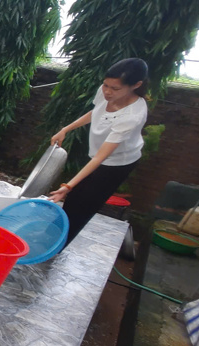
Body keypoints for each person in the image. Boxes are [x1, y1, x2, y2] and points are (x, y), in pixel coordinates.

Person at [48, 58, 150, 246]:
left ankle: (57, 247)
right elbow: (95, 112)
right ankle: (52, 236)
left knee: (84, 205)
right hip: (98, 155)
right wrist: (65, 129)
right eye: (105, 85)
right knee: (73, 199)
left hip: (117, 164)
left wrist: (67, 186)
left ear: (136, 85)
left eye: (115, 88)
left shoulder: (132, 116)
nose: (108, 92)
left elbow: (100, 159)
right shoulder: (107, 92)